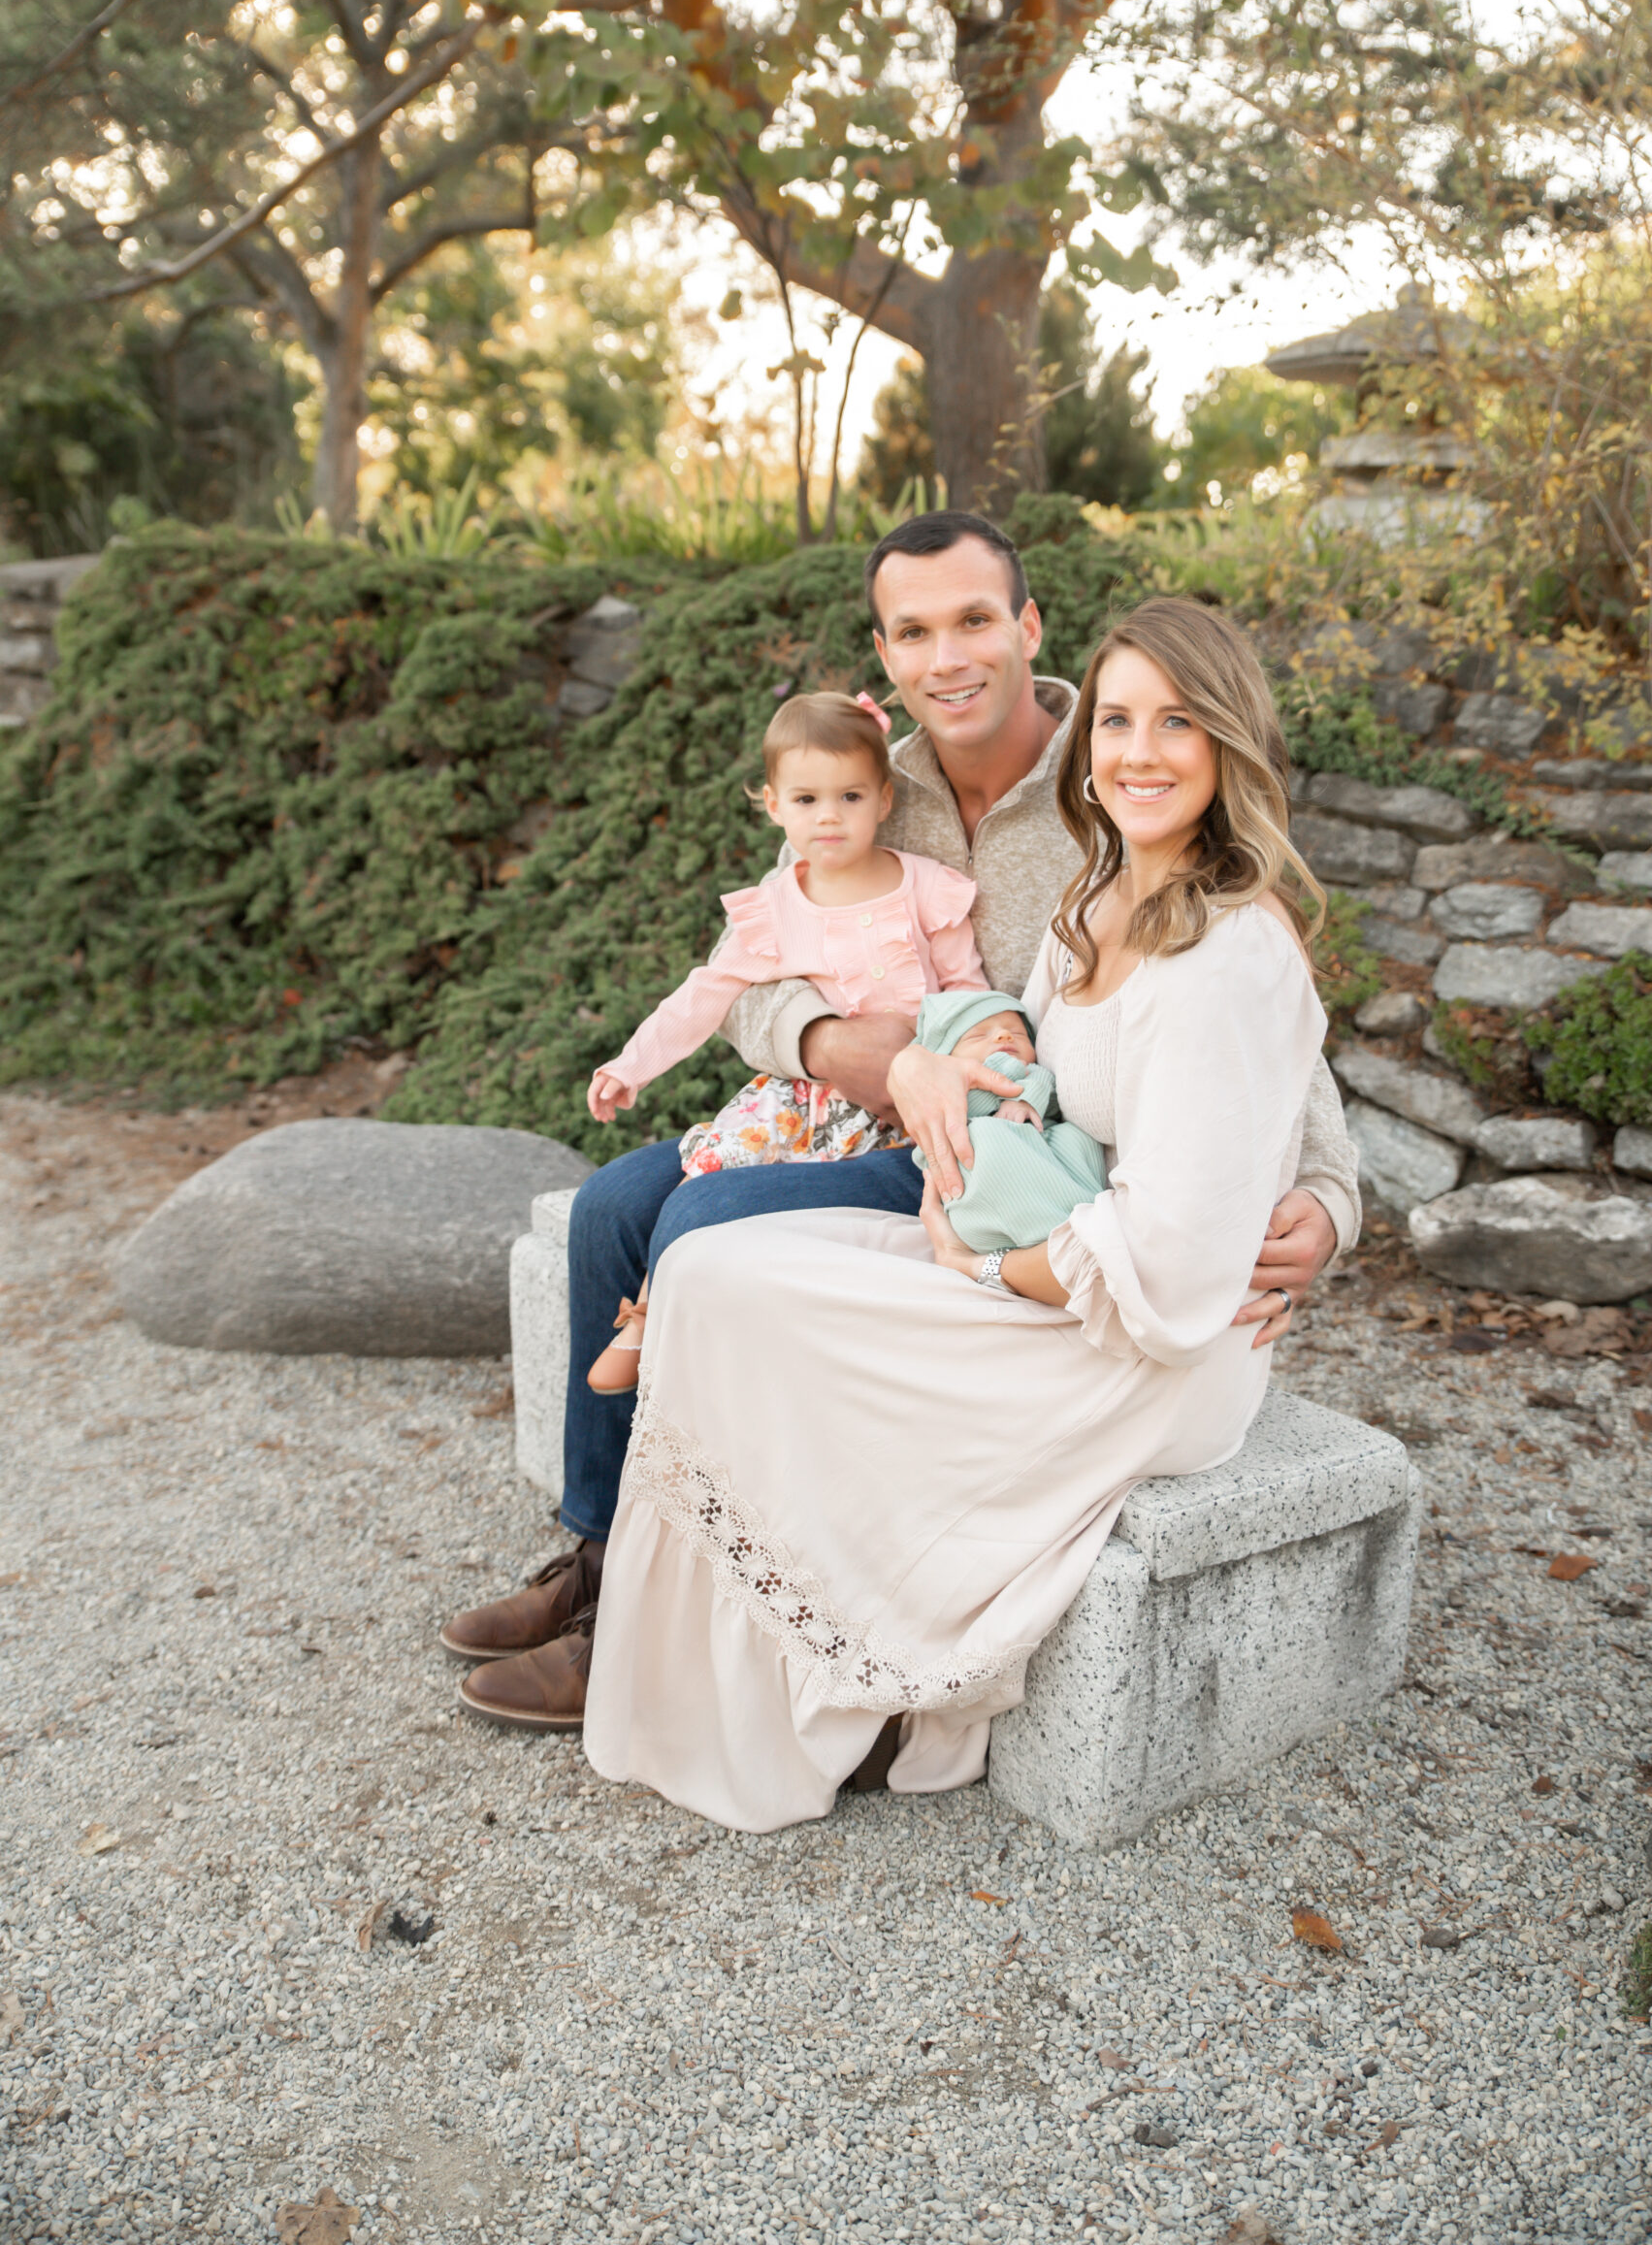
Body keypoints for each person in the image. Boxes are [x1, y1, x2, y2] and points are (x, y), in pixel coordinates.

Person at [440, 513, 1358, 1718]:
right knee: (610, 1205)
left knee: (703, 1225)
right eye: (913, 632)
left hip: (996, 1155)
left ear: (1027, 629)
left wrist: (1331, 1197)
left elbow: (1263, 1018)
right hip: (837, 1116)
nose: (948, 658)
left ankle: (655, 1609)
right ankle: (605, 1554)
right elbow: (752, 973)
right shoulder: (865, 772)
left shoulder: (1113, 770)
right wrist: (848, 1049)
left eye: (974, 620)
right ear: (884, 651)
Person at [580, 689, 984, 1396]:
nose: (827, 816)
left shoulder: (927, 888)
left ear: (884, 800)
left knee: (744, 1211)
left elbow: (967, 989)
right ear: (772, 805)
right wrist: (631, 1065)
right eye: (805, 800)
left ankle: (681, 1338)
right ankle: (644, 1319)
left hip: (907, 1103)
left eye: (849, 796)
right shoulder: (774, 909)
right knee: (714, 1168)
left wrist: (973, 1070)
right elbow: (704, 995)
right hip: (804, 1095)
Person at [906, 989, 1110, 1252]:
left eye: (1019, 1033)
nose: (1004, 1035)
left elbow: (1043, 1082)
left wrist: (1024, 1100)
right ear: (946, 1057)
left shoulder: (1027, 1072)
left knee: (1076, 1136)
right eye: (979, 1035)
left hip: (1044, 1147)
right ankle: (1041, 1230)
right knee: (981, 1139)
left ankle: (1082, 1207)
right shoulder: (947, 1086)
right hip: (985, 1169)